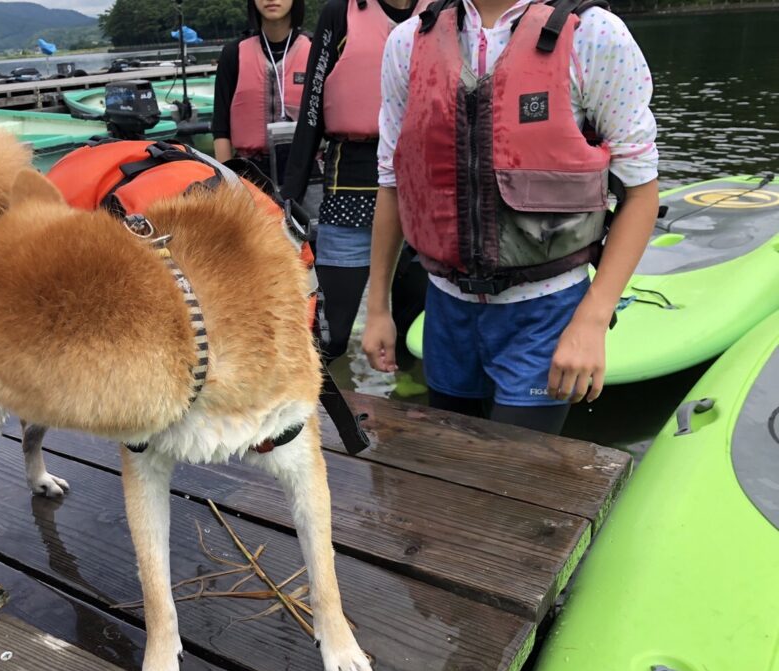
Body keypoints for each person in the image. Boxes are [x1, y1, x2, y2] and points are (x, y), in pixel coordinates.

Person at [362, 0, 660, 435]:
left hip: (546, 309)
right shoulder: (407, 43)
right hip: (446, 308)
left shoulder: (594, 35)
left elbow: (641, 193)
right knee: (454, 462)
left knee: (515, 474)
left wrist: (593, 319)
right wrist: (377, 310)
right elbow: (393, 183)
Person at [281, 0, 430, 363]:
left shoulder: (443, 11)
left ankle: (408, 407)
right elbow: (312, 109)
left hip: (425, 185)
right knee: (330, 331)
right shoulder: (339, 13)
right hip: (351, 180)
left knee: (413, 330)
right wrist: (287, 197)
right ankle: (312, 405)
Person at [213, 0, 311, 185]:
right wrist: (227, 185)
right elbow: (220, 129)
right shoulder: (233, 53)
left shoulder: (315, 50)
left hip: (306, 171)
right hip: (249, 174)